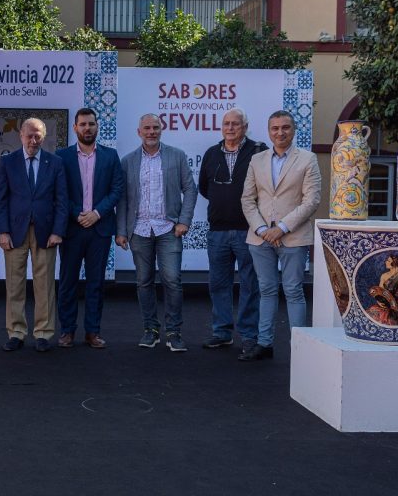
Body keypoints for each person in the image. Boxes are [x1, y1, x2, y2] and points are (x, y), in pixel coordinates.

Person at [239, 110, 321, 362]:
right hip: (260, 238)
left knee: (294, 290)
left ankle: (300, 348)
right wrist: (262, 230)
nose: (280, 132)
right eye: (275, 128)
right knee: (266, 290)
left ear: (293, 130)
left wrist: (282, 227)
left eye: (285, 127)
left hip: (293, 237)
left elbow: (312, 200)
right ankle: (264, 344)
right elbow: (247, 199)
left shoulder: (308, 159)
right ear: (268, 131)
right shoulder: (257, 160)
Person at [116, 113, 197, 352]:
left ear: (161, 130)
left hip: (168, 229)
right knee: (144, 282)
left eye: (155, 127)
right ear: (139, 132)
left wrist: (184, 221)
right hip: (139, 230)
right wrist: (121, 231)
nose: (151, 132)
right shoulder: (128, 161)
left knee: (172, 280)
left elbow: (190, 190)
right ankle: (150, 330)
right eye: (147, 128)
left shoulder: (177, 155)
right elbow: (122, 199)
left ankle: (174, 332)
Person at [0, 118, 68, 353]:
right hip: (14, 232)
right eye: (29, 135)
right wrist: (2, 231)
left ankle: (43, 333)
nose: (33, 140)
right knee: (14, 284)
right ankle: (16, 332)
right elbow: (0, 200)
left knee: (44, 285)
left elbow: (62, 200)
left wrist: (58, 231)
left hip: (46, 233)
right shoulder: (8, 162)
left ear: (43, 137)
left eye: (38, 136)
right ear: (21, 135)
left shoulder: (55, 163)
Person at [197, 108, 267, 351]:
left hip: (249, 230)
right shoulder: (211, 153)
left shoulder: (258, 151)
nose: (230, 128)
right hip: (217, 231)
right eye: (226, 123)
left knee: (250, 285)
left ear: (245, 127)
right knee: (218, 284)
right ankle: (221, 332)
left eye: (235, 124)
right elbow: (204, 187)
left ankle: (248, 334)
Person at [56, 108, 124, 348]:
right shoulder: (62, 156)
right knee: (68, 283)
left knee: (96, 283)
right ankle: (67, 331)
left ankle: (93, 332)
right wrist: (77, 214)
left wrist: (96, 213)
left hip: (100, 229)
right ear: (75, 127)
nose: (87, 128)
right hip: (72, 229)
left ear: (97, 126)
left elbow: (117, 189)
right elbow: (60, 192)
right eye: (83, 124)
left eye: (91, 124)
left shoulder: (110, 156)